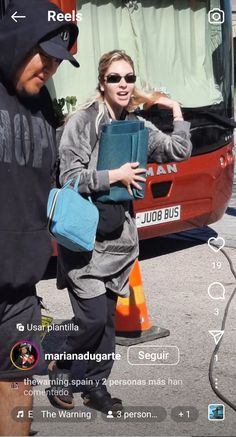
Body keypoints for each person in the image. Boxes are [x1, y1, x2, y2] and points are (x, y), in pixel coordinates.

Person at [48, 49, 192, 415]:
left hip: (120, 243)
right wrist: (115, 176)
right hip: (84, 242)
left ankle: (95, 388)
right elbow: (70, 178)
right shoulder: (83, 122)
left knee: (107, 325)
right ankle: (62, 363)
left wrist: (174, 110)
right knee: (92, 321)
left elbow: (178, 149)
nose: (123, 84)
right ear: (102, 82)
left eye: (129, 77)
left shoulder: (137, 126)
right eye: (115, 78)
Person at [0, 0, 79, 435]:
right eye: (44, 55)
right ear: (16, 42)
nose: (51, 68)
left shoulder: (45, 105)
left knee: (19, 385)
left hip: (23, 292)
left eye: (57, 61)